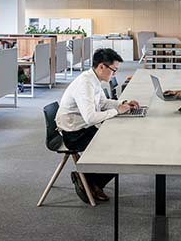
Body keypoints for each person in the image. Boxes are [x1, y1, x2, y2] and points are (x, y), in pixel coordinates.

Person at [55, 48, 140, 203]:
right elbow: (90, 117)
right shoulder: (85, 84)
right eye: (113, 70)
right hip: (74, 134)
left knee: (123, 144)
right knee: (120, 150)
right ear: (101, 66)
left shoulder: (93, 79)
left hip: (83, 127)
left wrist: (123, 103)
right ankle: (89, 181)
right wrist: (116, 111)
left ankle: (89, 180)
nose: (115, 74)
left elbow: (102, 102)